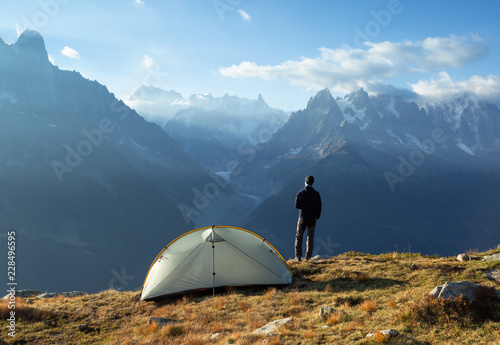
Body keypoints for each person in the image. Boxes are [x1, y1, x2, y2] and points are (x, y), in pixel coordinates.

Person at [294, 175, 322, 261]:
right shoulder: (316, 194)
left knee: (299, 236)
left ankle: (298, 257)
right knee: (310, 237)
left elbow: (296, 205)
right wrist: (317, 216)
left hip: (302, 217)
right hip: (312, 218)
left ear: (305, 182)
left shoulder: (300, 193)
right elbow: (319, 206)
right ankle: (308, 257)